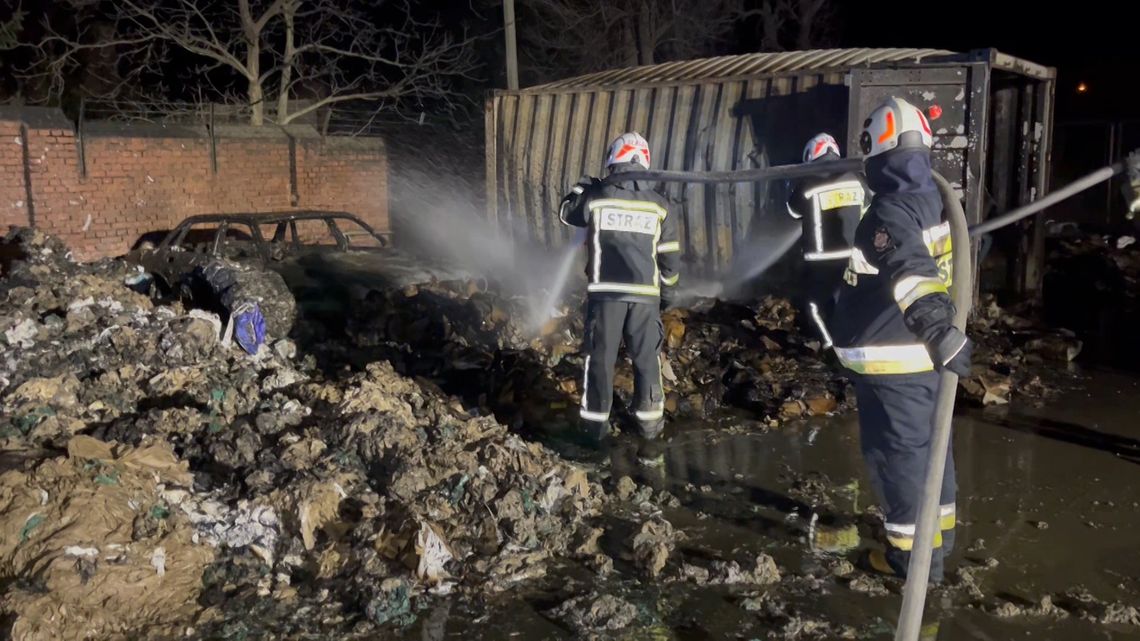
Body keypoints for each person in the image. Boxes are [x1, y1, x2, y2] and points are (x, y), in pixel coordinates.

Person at [830, 97, 972, 582]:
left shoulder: (888, 212)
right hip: (918, 361)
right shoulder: (931, 198)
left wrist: (936, 328)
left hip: (896, 362)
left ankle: (914, 564)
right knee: (932, 450)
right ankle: (939, 543)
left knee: (900, 459)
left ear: (875, 147)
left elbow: (911, 271)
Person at [558, 132, 681, 445]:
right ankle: (650, 430)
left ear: (613, 158)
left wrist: (582, 185)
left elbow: (567, 212)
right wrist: (666, 295)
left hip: (606, 296)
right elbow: (670, 261)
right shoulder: (660, 205)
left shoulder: (596, 196)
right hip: (645, 300)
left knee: (599, 361)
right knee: (647, 362)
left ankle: (594, 431)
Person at [785, 132, 869, 347]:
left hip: (822, 256)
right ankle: (854, 340)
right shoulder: (856, 176)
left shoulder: (808, 181)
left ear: (811, 154)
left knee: (814, 304)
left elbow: (793, 212)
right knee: (848, 298)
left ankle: (830, 346)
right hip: (853, 253)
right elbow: (868, 205)